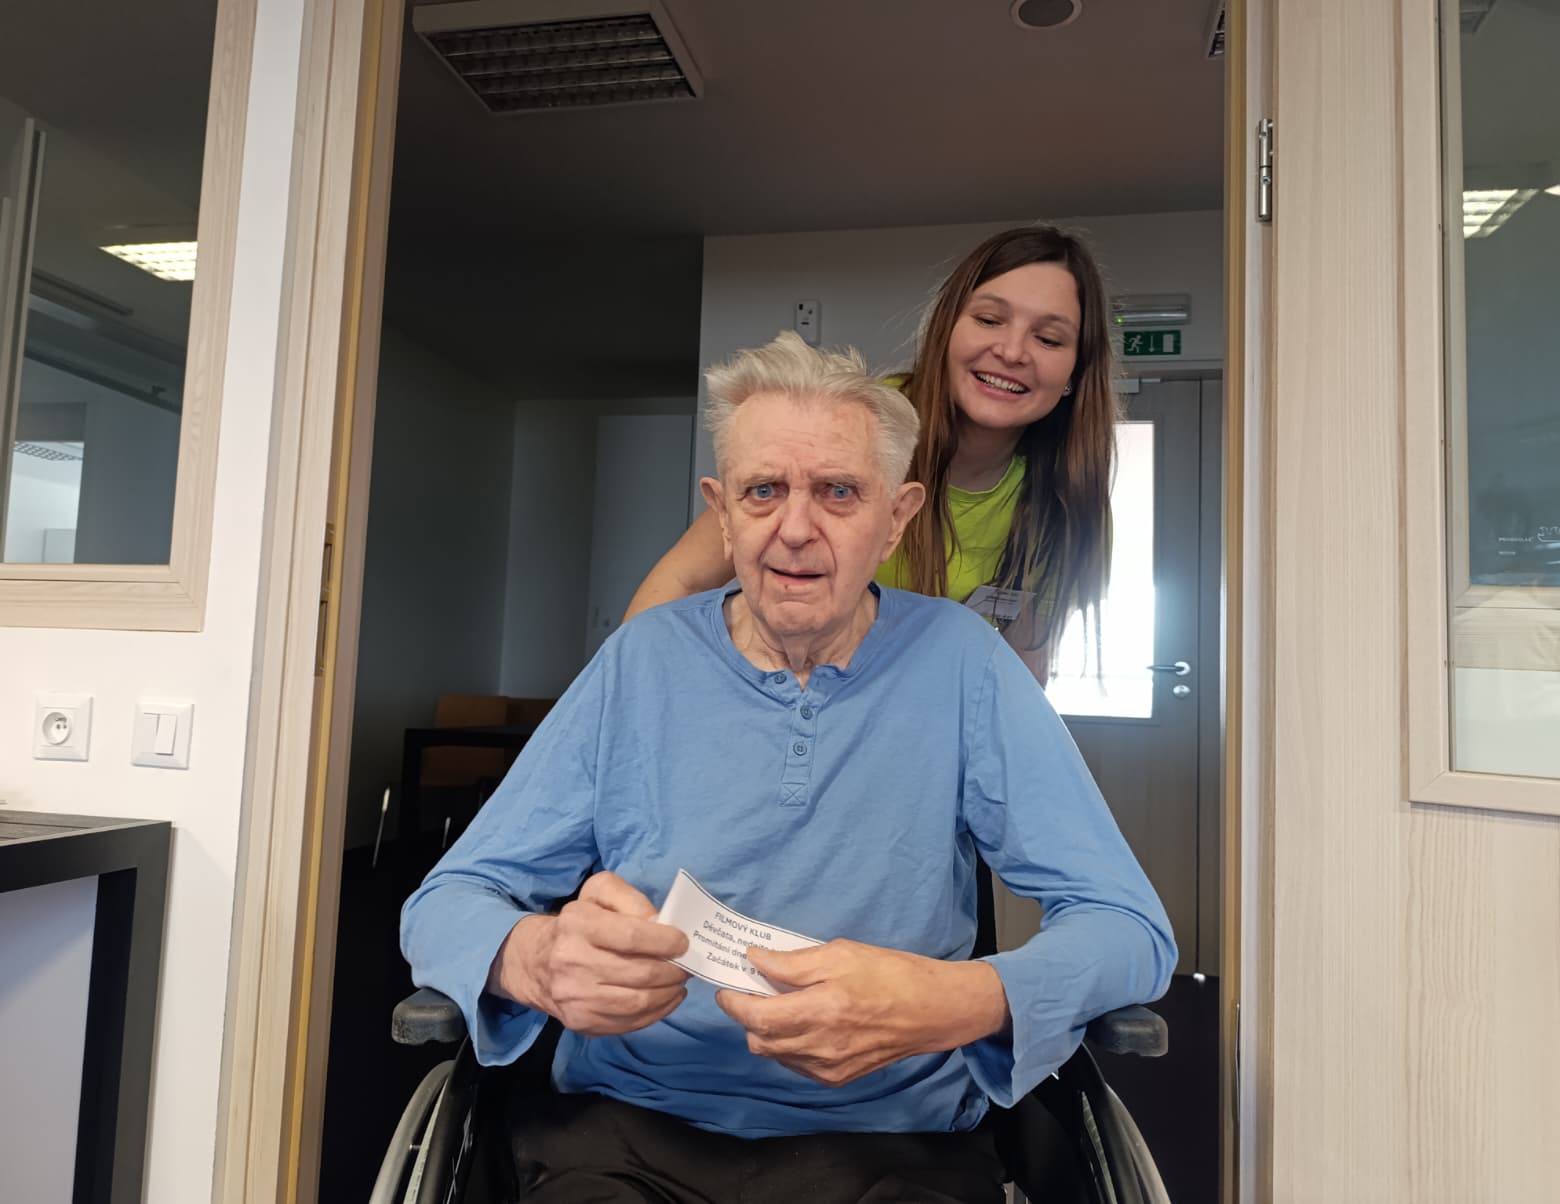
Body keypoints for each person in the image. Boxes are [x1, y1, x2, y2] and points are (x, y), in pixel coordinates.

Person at [400, 333, 1174, 1203]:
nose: (796, 529)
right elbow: (445, 903)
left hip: (894, 1139)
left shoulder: (967, 665)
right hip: (627, 1129)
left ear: (897, 517)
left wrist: (957, 1000)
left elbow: (1129, 930)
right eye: (763, 490)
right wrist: (533, 957)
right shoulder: (640, 662)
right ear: (723, 513)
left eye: (838, 492)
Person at [623, 224, 1117, 683]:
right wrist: (640, 708)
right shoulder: (852, 425)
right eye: (989, 319)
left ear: (1075, 371)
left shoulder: (1066, 501)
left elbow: (1021, 670)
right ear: (947, 328)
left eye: (1048, 338)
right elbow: (683, 581)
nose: (1011, 352)